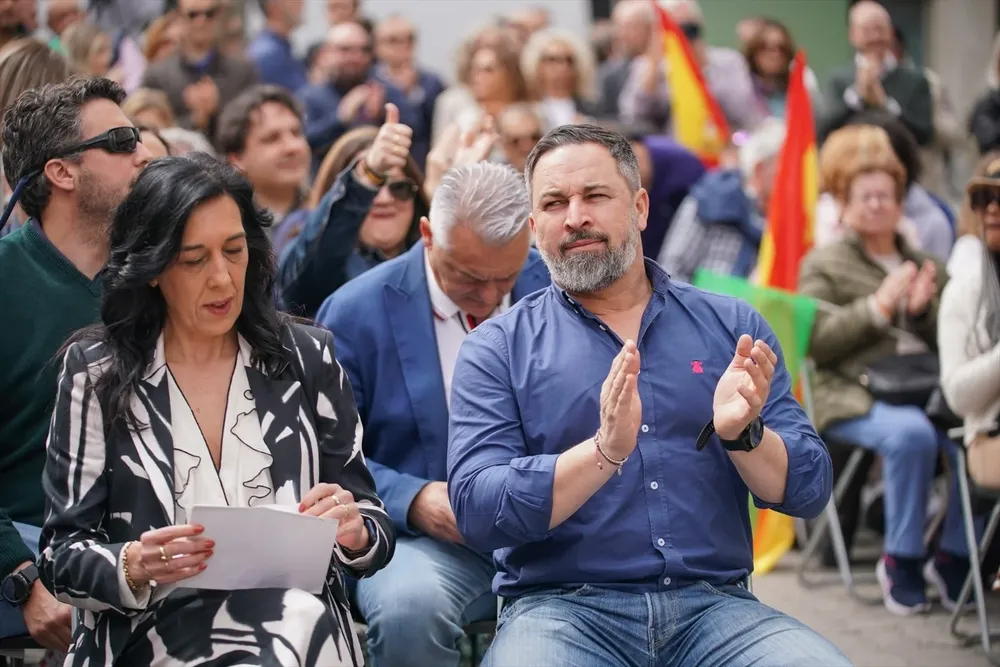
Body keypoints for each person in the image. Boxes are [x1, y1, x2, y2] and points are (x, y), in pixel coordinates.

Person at [447, 124, 849, 666]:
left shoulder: (732, 328)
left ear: (639, 207)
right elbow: (476, 509)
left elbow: (809, 491)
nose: (575, 217)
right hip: (561, 614)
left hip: (717, 611)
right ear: (534, 225)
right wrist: (602, 454)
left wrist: (744, 436)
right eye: (554, 202)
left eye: (594, 196)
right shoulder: (497, 347)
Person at [39, 153, 395, 667]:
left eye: (234, 251)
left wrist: (353, 529)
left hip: (297, 628)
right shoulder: (96, 372)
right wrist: (135, 563)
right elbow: (60, 557)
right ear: (153, 268)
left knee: (297, 626)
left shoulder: (306, 357)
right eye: (194, 259)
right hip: (147, 634)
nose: (223, 279)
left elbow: (371, 521)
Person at [315, 162, 550, 667]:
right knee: (408, 608)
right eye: (468, 277)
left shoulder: (558, 286)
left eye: (504, 277)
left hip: (554, 529)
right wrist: (414, 498)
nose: (488, 298)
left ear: (530, 235)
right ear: (426, 235)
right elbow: (325, 455)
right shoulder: (356, 312)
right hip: (423, 543)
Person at [0, 76, 153, 650]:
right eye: (121, 140)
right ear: (61, 172)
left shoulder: (160, 279)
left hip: (147, 553)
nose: (143, 153)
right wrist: (21, 577)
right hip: (25, 550)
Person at [798, 125, 962, 616]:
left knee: (973, 436)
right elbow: (816, 345)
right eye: (863, 197)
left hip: (926, 389)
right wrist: (878, 308)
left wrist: (923, 311)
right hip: (850, 394)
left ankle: (954, 557)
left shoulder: (928, 263)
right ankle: (902, 560)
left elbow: (954, 343)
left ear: (900, 203)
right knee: (912, 436)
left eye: (884, 196)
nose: (874, 205)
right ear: (844, 206)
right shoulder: (823, 263)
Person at [939, 159, 1000, 487]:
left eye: (999, 199)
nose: (991, 209)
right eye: (982, 200)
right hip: (989, 436)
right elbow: (957, 396)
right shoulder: (965, 288)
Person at [819, 1, 933, 147]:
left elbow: (925, 136)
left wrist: (885, 105)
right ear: (852, 35)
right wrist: (857, 95)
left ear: (891, 33)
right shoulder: (837, 81)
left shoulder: (916, 80)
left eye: (880, 29)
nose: (874, 37)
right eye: (866, 31)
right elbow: (823, 130)